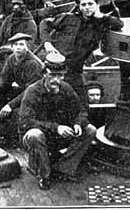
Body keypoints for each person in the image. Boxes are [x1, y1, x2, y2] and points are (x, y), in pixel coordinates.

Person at [19, 52, 97, 190]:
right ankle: (44, 175)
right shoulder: (32, 92)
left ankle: (64, 168)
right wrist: (56, 128)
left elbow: (81, 111)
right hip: (39, 139)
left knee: (90, 130)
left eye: (60, 75)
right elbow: (26, 122)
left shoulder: (66, 89)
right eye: (52, 75)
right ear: (44, 74)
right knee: (34, 135)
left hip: (59, 136)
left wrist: (78, 124)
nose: (57, 80)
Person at [42, 0, 123, 107]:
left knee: (81, 106)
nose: (86, 8)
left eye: (90, 4)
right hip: (55, 69)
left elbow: (119, 24)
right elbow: (44, 24)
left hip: (75, 72)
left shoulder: (101, 23)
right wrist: (48, 44)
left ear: (97, 4)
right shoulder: (68, 18)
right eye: (83, 4)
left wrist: (100, 15)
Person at [0, 33, 43, 118]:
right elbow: (4, 76)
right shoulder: (12, 58)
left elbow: (30, 90)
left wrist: (10, 105)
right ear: (12, 47)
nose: (18, 47)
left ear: (27, 48)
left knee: (18, 114)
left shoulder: (33, 64)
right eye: (15, 44)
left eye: (21, 44)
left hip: (34, 95)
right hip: (22, 90)